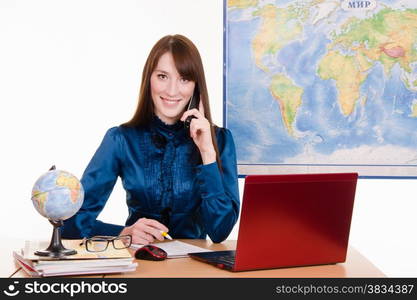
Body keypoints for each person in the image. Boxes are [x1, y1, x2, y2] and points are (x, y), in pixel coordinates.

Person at [62, 34, 240, 244]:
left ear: (195, 86)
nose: (172, 90)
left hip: (194, 269)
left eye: (184, 79)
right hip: (140, 264)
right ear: (149, 79)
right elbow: (71, 223)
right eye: (163, 76)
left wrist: (207, 154)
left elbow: (220, 231)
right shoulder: (120, 139)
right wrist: (122, 233)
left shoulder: (220, 140)